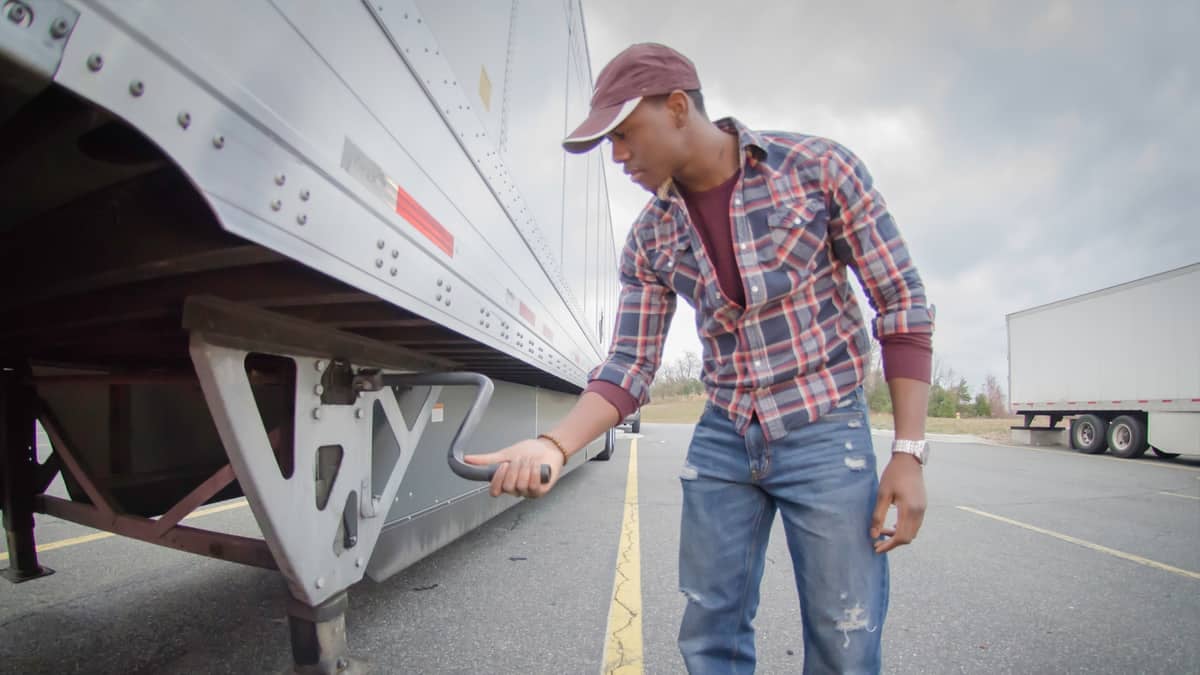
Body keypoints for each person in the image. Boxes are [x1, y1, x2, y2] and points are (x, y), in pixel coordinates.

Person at [466, 43, 934, 674]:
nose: (619, 156)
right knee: (709, 633)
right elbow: (629, 364)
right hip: (726, 433)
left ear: (679, 108)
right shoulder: (649, 238)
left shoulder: (819, 170)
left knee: (844, 638)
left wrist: (907, 453)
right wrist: (553, 445)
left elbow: (901, 303)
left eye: (626, 135)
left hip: (825, 427)